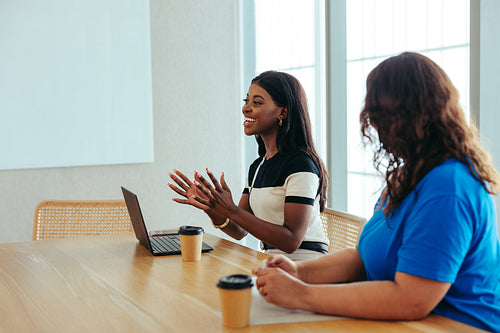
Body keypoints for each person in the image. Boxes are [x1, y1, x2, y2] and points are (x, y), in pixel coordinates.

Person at [252, 52, 500, 332]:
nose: (374, 125)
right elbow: (362, 256)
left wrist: (301, 294)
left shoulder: (449, 186)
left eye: (380, 114)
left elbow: (411, 299)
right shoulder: (409, 175)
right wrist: (299, 273)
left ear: (412, 115)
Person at [169, 71, 329, 260]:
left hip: (304, 264)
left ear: (283, 112)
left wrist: (231, 209)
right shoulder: (258, 166)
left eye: (257, 102)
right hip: (271, 262)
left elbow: (291, 241)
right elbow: (239, 231)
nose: (246, 109)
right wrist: (213, 208)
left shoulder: (301, 165)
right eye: (246, 101)